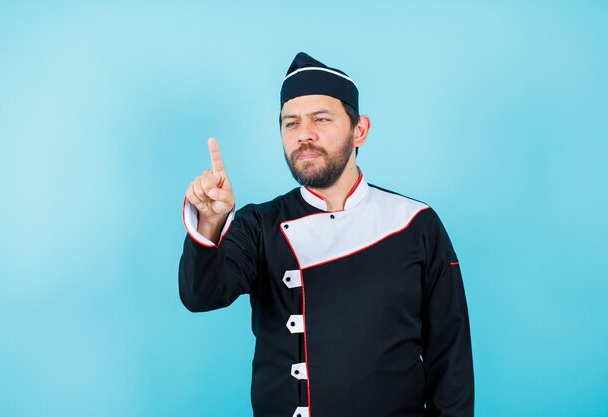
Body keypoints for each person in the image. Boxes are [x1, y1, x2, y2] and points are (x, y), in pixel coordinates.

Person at [179, 52, 474, 417]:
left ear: (359, 130)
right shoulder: (259, 224)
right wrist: (210, 222)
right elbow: (201, 294)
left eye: (321, 119)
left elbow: (451, 355)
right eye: (291, 123)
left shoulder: (416, 223)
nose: (304, 134)